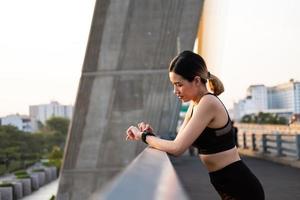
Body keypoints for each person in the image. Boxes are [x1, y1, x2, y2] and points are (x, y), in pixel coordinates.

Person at [126, 51, 264, 200]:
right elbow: (177, 142)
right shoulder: (195, 104)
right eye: (173, 85)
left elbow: (177, 149)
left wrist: (143, 136)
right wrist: (152, 136)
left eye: (179, 84)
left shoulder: (208, 103)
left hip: (241, 187)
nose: (175, 91)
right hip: (226, 185)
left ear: (197, 81)